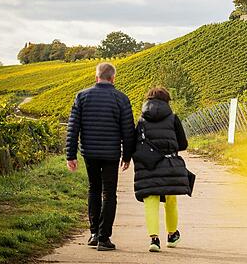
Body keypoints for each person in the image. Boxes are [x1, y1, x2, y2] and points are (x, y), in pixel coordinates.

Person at [65, 62, 136, 252]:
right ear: (113, 78)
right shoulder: (121, 99)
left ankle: (94, 234)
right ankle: (104, 238)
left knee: (93, 190)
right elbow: (128, 130)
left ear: (96, 77)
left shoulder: (82, 96)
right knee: (109, 193)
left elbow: (73, 128)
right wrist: (127, 156)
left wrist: (70, 155)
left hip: (89, 153)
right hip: (111, 154)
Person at [133, 86, 190, 252]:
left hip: (147, 166)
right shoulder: (173, 118)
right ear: (167, 101)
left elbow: (136, 144)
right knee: (170, 199)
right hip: (169, 165)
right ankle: (172, 235)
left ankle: (154, 239)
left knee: (151, 200)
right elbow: (184, 144)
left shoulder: (141, 120)